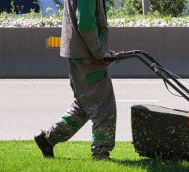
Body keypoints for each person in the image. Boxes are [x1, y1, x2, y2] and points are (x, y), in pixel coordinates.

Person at [34, 0, 123, 160]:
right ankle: (101, 154)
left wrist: (103, 50)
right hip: (88, 57)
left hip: (82, 55)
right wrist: (100, 52)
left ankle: (48, 139)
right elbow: (86, 24)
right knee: (104, 108)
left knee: (84, 106)